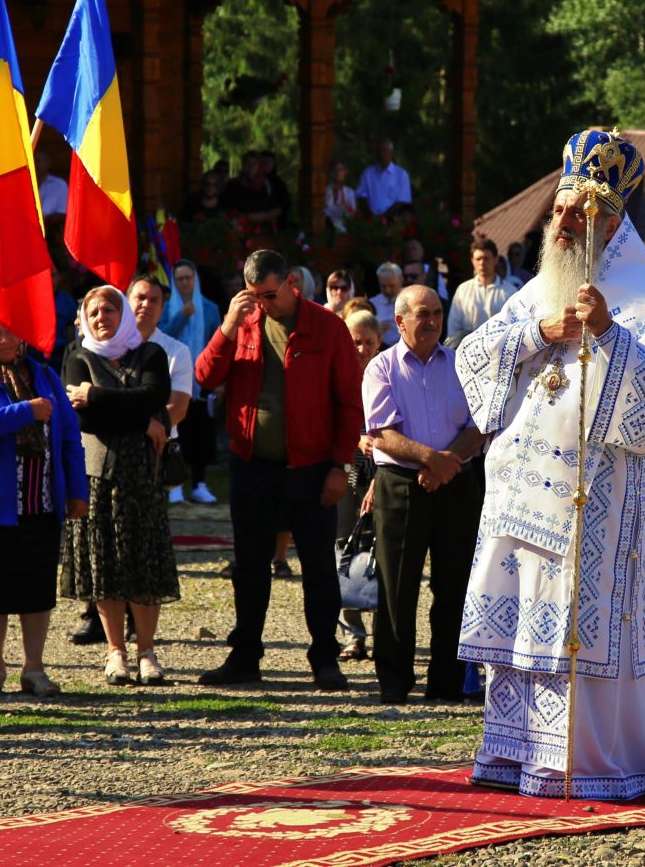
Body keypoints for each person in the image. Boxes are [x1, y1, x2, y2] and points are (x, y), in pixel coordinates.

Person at [457, 129, 645, 799]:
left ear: (611, 225)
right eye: (558, 208)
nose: (560, 222)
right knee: (523, 625)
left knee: (573, 634)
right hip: (522, 505)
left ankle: (578, 765)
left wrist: (610, 335)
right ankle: (511, 756)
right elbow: (473, 358)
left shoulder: (639, 298)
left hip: (595, 511)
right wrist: (539, 333)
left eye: (577, 212)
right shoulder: (537, 291)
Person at [194, 249, 362, 692]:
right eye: (253, 295)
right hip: (253, 467)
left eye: (269, 294)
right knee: (249, 566)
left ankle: (325, 657)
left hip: (310, 467)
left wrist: (340, 466)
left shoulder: (327, 327)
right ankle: (245, 656)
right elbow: (206, 378)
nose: (262, 304)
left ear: (292, 283)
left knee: (319, 568)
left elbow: (349, 402)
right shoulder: (243, 323)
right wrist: (229, 326)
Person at [360, 285, 485, 703]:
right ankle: (394, 683)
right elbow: (381, 433)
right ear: (399, 321)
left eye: (436, 312)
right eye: (421, 314)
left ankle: (446, 683)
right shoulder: (381, 368)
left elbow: (477, 426)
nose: (431, 321)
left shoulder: (461, 365)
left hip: (456, 486)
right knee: (398, 589)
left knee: (453, 586)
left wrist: (446, 464)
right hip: (400, 487)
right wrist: (434, 460)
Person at [0, 314, 86, 698]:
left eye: (11, 329)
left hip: (39, 502)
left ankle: (35, 667)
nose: (4, 338)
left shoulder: (45, 376)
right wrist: (25, 411)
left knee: (36, 587)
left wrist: (77, 489)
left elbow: (68, 436)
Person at [61, 285, 178, 686]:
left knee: (144, 566)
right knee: (106, 567)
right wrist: (143, 420)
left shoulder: (151, 354)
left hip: (143, 479)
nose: (101, 318)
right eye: (93, 311)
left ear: (122, 314)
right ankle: (116, 653)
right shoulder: (77, 357)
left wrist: (97, 395)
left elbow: (154, 393)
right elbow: (86, 421)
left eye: (110, 310)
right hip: (98, 479)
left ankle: (146, 652)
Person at [337, 309, 384, 660]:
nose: (362, 349)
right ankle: (353, 633)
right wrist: (356, 439)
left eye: (368, 342)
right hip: (347, 468)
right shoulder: (336, 374)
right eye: (355, 342)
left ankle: (385, 630)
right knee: (345, 547)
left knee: (382, 551)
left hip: (382, 469)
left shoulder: (387, 374)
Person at [127, 276, 193, 511]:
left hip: (156, 452)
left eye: (154, 300)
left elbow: (178, 409)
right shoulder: (109, 349)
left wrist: (135, 428)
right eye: (140, 298)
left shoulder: (177, 352)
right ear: (127, 302)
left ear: (162, 308)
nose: (146, 304)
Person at [164, 260, 222, 506]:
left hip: (202, 381)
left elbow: (217, 343)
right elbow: (163, 337)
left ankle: (199, 483)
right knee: (177, 432)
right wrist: (180, 317)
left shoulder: (209, 308)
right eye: (180, 279)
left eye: (189, 278)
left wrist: (219, 380)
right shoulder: (167, 308)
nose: (185, 283)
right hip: (174, 379)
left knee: (201, 433)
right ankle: (175, 485)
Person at [447, 238, 519, 342]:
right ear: (472, 261)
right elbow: (453, 326)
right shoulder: (463, 290)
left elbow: (516, 325)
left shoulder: (510, 291)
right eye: (478, 259)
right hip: (467, 350)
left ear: (496, 259)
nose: (482, 263)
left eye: (486, 258)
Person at [218, 151, 283, 229]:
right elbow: (226, 208)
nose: (251, 166)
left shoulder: (264, 185)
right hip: (239, 228)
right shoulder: (233, 184)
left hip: (261, 229)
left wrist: (262, 217)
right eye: (247, 163)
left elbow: (277, 209)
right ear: (243, 164)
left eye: (254, 163)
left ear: (258, 165)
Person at [355, 138, 412, 218]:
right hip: (370, 221)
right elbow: (361, 196)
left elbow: (403, 201)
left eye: (384, 150)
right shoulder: (368, 173)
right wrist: (370, 215)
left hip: (393, 221)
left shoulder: (401, 174)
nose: (381, 154)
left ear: (391, 153)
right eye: (379, 151)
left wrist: (384, 217)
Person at [371, 262, 403, 347]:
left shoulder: (412, 300)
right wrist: (375, 329)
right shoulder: (372, 304)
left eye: (392, 286)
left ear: (401, 280)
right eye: (383, 286)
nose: (387, 290)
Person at [33, 147, 69, 220]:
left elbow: (63, 214)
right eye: (32, 161)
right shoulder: (22, 185)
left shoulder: (60, 185)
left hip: (51, 229)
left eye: (38, 161)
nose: (35, 165)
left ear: (47, 163)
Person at [324, 160, 356, 232]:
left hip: (344, 227)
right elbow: (325, 211)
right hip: (326, 227)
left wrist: (346, 207)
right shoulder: (325, 190)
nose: (337, 173)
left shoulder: (349, 192)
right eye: (335, 170)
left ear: (345, 172)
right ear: (331, 173)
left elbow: (352, 212)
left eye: (340, 170)